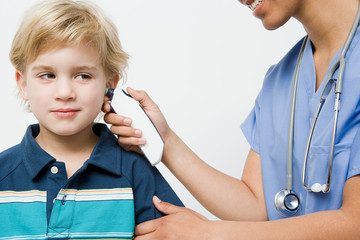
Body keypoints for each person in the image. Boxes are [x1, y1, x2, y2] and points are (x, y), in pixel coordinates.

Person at [103, 0, 360, 239]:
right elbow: (257, 206)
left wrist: (208, 234)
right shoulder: (281, 80)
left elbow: (355, 222)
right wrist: (166, 141)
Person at [0, 0, 183, 239]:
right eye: (48, 75)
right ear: (23, 85)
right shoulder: (3, 173)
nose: (64, 92)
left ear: (110, 84)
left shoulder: (135, 171)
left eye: (83, 75)